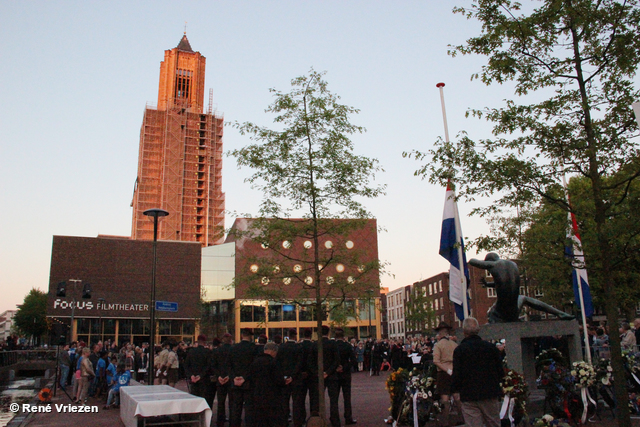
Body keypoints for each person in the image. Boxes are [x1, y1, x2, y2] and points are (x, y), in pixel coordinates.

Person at [469, 253, 575, 322]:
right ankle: (560, 313)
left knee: (491, 314)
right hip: (514, 310)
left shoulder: (493, 265)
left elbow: (473, 261)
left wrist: (482, 263)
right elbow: (505, 283)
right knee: (523, 298)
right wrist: (488, 284)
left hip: (501, 312)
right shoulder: (513, 264)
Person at [451, 317, 503, 427]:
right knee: (493, 423)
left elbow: (457, 374)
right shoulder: (491, 348)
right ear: (478, 330)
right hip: (489, 393)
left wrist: (455, 390)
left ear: (464, 332)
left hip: (469, 394)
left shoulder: (460, 350)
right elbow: (500, 370)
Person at [308, 325, 340, 427]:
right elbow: (336, 360)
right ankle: (335, 421)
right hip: (332, 376)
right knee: (333, 400)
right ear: (328, 333)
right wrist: (328, 372)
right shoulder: (333, 344)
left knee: (316, 399)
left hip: (318, 376)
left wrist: (318, 373)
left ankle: (316, 420)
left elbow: (310, 362)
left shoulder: (314, 345)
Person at [432, 322, 463, 427]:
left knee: (445, 399)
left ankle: (445, 422)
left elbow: (436, 361)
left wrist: (446, 369)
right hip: (454, 371)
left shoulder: (438, 345)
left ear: (439, 334)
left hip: (443, 373)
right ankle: (462, 419)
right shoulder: (455, 344)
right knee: (457, 396)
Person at [229, 328, 257, 427]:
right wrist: (245, 377)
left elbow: (229, 365)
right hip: (249, 382)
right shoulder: (254, 348)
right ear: (250, 336)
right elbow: (254, 366)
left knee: (236, 407)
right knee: (249, 407)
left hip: (236, 382)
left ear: (242, 335)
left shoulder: (233, 348)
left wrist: (234, 377)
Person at [275, 328, 302, 427]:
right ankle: (297, 422)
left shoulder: (281, 347)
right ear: (295, 335)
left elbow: (277, 363)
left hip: (284, 379)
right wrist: (293, 376)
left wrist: (284, 376)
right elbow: (299, 364)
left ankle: (284, 422)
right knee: (297, 402)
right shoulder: (299, 347)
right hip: (296, 379)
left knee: (284, 402)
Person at [335, 328, 357, 425]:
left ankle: (335, 418)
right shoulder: (347, 346)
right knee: (347, 397)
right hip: (346, 374)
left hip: (335, 374)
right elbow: (353, 360)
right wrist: (344, 367)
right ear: (343, 336)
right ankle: (348, 417)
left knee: (334, 398)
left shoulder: (333, 346)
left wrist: (336, 368)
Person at [212, 333, 233, 427]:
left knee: (221, 401)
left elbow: (213, 365)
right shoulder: (233, 350)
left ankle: (220, 420)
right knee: (232, 401)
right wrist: (229, 375)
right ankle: (233, 419)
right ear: (231, 340)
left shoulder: (217, 351)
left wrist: (219, 376)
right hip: (230, 379)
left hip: (220, 378)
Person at [184, 335, 212, 400]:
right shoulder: (207, 352)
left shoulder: (191, 351)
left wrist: (191, 375)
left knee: (194, 398)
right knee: (204, 399)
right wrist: (201, 375)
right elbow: (209, 366)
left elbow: (186, 365)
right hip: (204, 379)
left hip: (193, 379)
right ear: (204, 342)